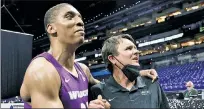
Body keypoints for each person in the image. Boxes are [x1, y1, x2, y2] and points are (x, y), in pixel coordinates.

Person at [20, 3, 158, 108]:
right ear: (51, 28)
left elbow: (111, 86)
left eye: (80, 18)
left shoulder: (83, 70)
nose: (80, 22)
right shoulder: (42, 71)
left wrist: (137, 74)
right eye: (69, 17)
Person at [90, 34, 169, 108]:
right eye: (129, 48)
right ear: (112, 59)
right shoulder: (98, 91)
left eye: (135, 48)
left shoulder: (152, 84)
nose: (136, 52)